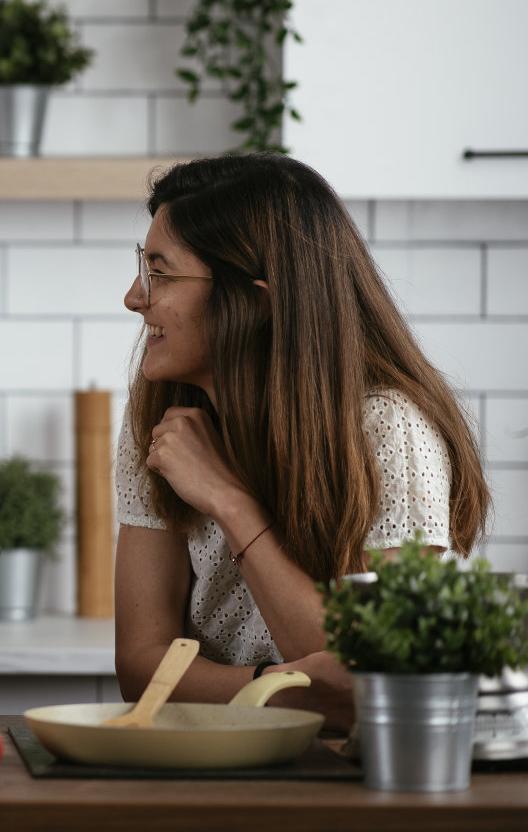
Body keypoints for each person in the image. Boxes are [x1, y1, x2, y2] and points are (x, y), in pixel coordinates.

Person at [113, 154, 489, 731]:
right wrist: (277, 690)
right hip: (206, 755)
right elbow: (142, 667)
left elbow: (369, 675)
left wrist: (230, 502)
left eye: (160, 272)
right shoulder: (163, 419)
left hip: (352, 769)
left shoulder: (391, 431)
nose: (135, 297)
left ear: (256, 301)